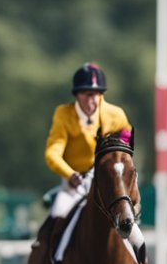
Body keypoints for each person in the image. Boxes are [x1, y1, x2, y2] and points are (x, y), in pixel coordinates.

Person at [44, 63, 134, 220]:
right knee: (57, 215)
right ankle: (44, 244)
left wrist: (121, 154)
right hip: (74, 183)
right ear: (77, 95)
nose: (92, 100)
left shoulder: (116, 115)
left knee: (131, 224)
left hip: (107, 181)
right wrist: (71, 175)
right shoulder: (63, 114)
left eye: (96, 94)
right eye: (87, 94)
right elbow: (52, 153)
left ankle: (138, 245)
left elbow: (127, 138)